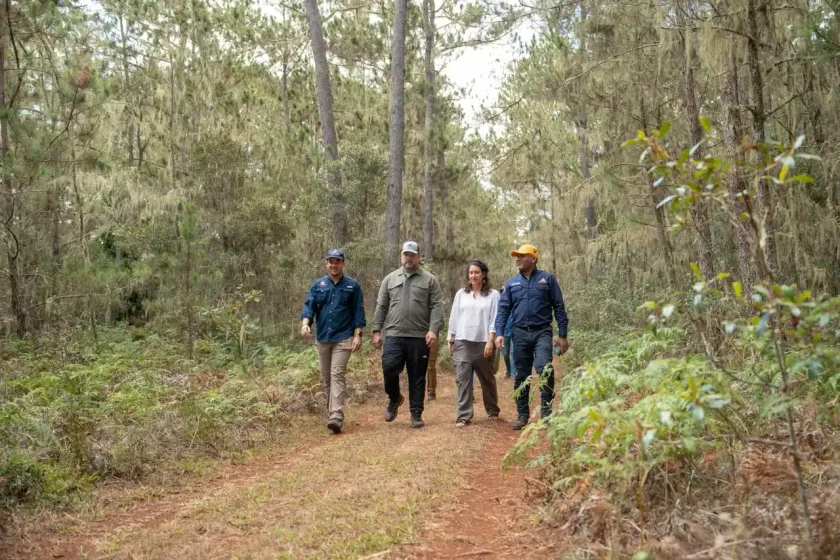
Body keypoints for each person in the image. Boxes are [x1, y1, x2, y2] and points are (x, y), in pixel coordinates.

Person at [494, 244, 569, 430]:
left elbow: (559, 307)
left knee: (544, 368)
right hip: (519, 333)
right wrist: (500, 333)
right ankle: (522, 415)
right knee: (521, 375)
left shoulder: (547, 279)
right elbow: (503, 309)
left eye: (522, 256)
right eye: (517, 256)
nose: (518, 259)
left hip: (542, 331)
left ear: (533, 259)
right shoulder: (511, 283)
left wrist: (563, 335)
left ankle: (546, 412)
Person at [372, 241, 443, 428]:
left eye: (412, 254)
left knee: (417, 375)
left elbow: (436, 306)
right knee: (389, 367)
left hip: (420, 335)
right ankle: (395, 398)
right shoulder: (390, 279)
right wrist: (376, 330)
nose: (408, 257)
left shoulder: (429, 280)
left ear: (418, 257)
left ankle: (416, 413)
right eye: (405, 254)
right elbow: (382, 306)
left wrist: (433, 330)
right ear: (401, 256)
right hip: (394, 334)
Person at [300, 249, 366, 434]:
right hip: (323, 337)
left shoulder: (352, 286)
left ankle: (336, 416)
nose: (333, 265)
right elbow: (309, 306)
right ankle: (331, 415)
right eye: (330, 262)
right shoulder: (318, 285)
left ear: (343, 263)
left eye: (337, 261)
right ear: (326, 264)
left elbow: (358, 312)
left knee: (337, 374)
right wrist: (306, 324)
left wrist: (358, 334)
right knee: (327, 378)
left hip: (343, 337)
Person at [448, 260, 501, 427]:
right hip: (463, 340)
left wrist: (490, 341)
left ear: (484, 274)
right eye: (471, 273)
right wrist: (451, 338)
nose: (473, 275)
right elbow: (454, 316)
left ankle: (492, 410)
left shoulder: (493, 295)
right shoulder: (461, 294)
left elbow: (495, 319)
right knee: (462, 378)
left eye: (476, 272)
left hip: (484, 342)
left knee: (487, 378)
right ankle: (464, 415)